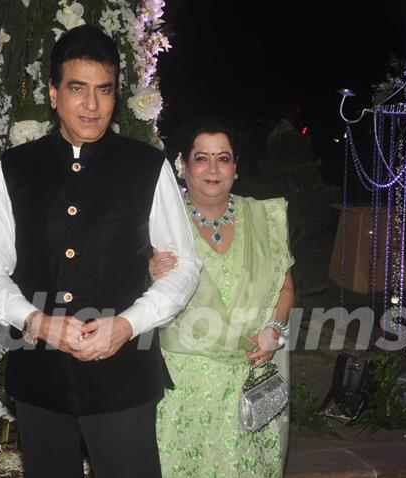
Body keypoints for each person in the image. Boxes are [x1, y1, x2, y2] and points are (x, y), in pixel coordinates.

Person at [0, 25, 202, 478]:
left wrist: (128, 324)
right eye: (78, 89)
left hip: (123, 378)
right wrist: (34, 322)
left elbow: (185, 265)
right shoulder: (17, 169)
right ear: (54, 93)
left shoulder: (147, 166)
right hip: (40, 379)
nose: (92, 105)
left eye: (104, 90)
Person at [150, 116, 295, 477]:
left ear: (236, 167)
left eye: (223, 158)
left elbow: (285, 287)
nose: (213, 169)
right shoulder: (159, 222)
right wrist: (148, 272)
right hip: (184, 384)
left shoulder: (265, 218)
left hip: (251, 371)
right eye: (201, 158)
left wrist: (274, 330)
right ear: (183, 166)